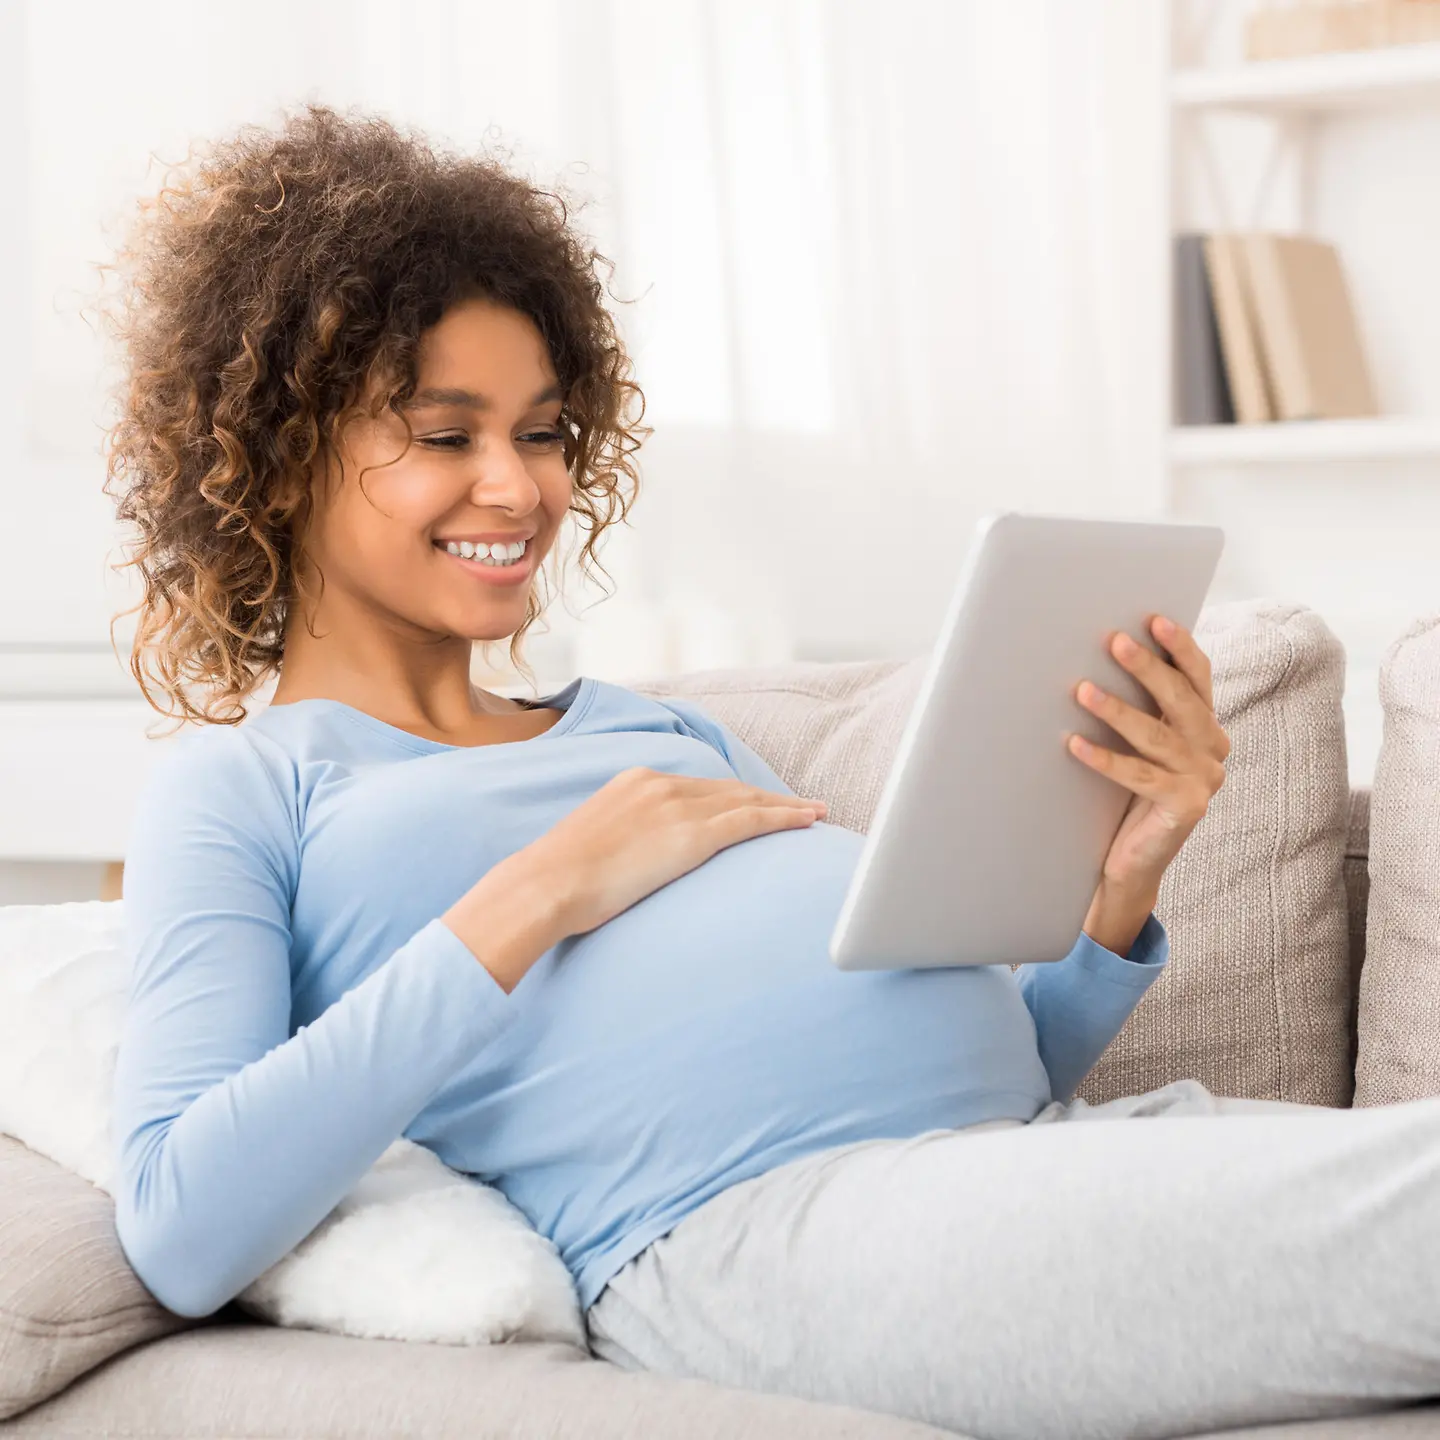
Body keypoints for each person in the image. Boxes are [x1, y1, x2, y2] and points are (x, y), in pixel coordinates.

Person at [105, 105, 1439, 1440]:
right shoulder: (244, 792)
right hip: (757, 1235)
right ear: (283, 459)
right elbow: (182, 1225)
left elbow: (996, 1063)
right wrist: (541, 894)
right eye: (448, 435)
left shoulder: (656, 734)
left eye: (546, 432)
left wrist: (1117, 892)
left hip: (1020, 1167)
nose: (517, 488)